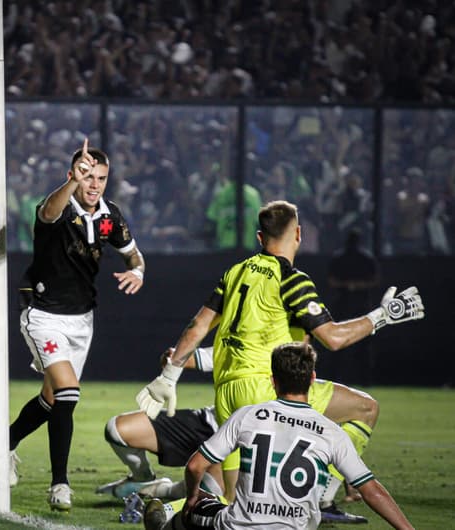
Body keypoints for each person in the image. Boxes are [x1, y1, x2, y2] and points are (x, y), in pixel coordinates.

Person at [136, 200, 424, 523]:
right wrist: (383, 316)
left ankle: (168, 511)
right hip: (267, 387)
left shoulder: (235, 272)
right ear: (298, 233)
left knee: (233, 498)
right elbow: (333, 338)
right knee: (366, 408)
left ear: (260, 238)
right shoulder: (291, 278)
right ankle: (324, 492)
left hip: (227, 393)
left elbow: (198, 325)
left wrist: (170, 373)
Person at [143, 342, 414, 530]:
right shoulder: (331, 431)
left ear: (273, 380)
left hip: (239, 524)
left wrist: (192, 498)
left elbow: (195, 466)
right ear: (312, 380)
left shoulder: (248, 415)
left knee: (199, 510)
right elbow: (372, 491)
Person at [9, 138, 145, 511]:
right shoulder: (58, 206)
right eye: (87, 176)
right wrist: (70, 182)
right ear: (73, 176)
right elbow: (48, 214)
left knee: (52, 401)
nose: (94, 184)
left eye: (100, 177)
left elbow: (134, 255)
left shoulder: (110, 215)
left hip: (81, 320)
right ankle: (59, 484)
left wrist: (138, 271)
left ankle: (2, 444)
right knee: (68, 394)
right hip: (43, 315)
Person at [96, 347, 222, 501]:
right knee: (117, 429)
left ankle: (163, 490)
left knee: (215, 493)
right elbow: (201, 355)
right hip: (208, 425)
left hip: (242, 442)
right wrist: (175, 358)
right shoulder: (245, 342)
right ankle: (142, 478)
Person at [327, 228, 380, 383]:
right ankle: (362, 379)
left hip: (350, 304)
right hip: (354, 304)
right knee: (359, 343)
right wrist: (355, 286)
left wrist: (350, 286)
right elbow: (375, 280)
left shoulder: (342, 258)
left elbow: (332, 280)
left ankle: (349, 377)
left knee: (343, 341)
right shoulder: (365, 258)